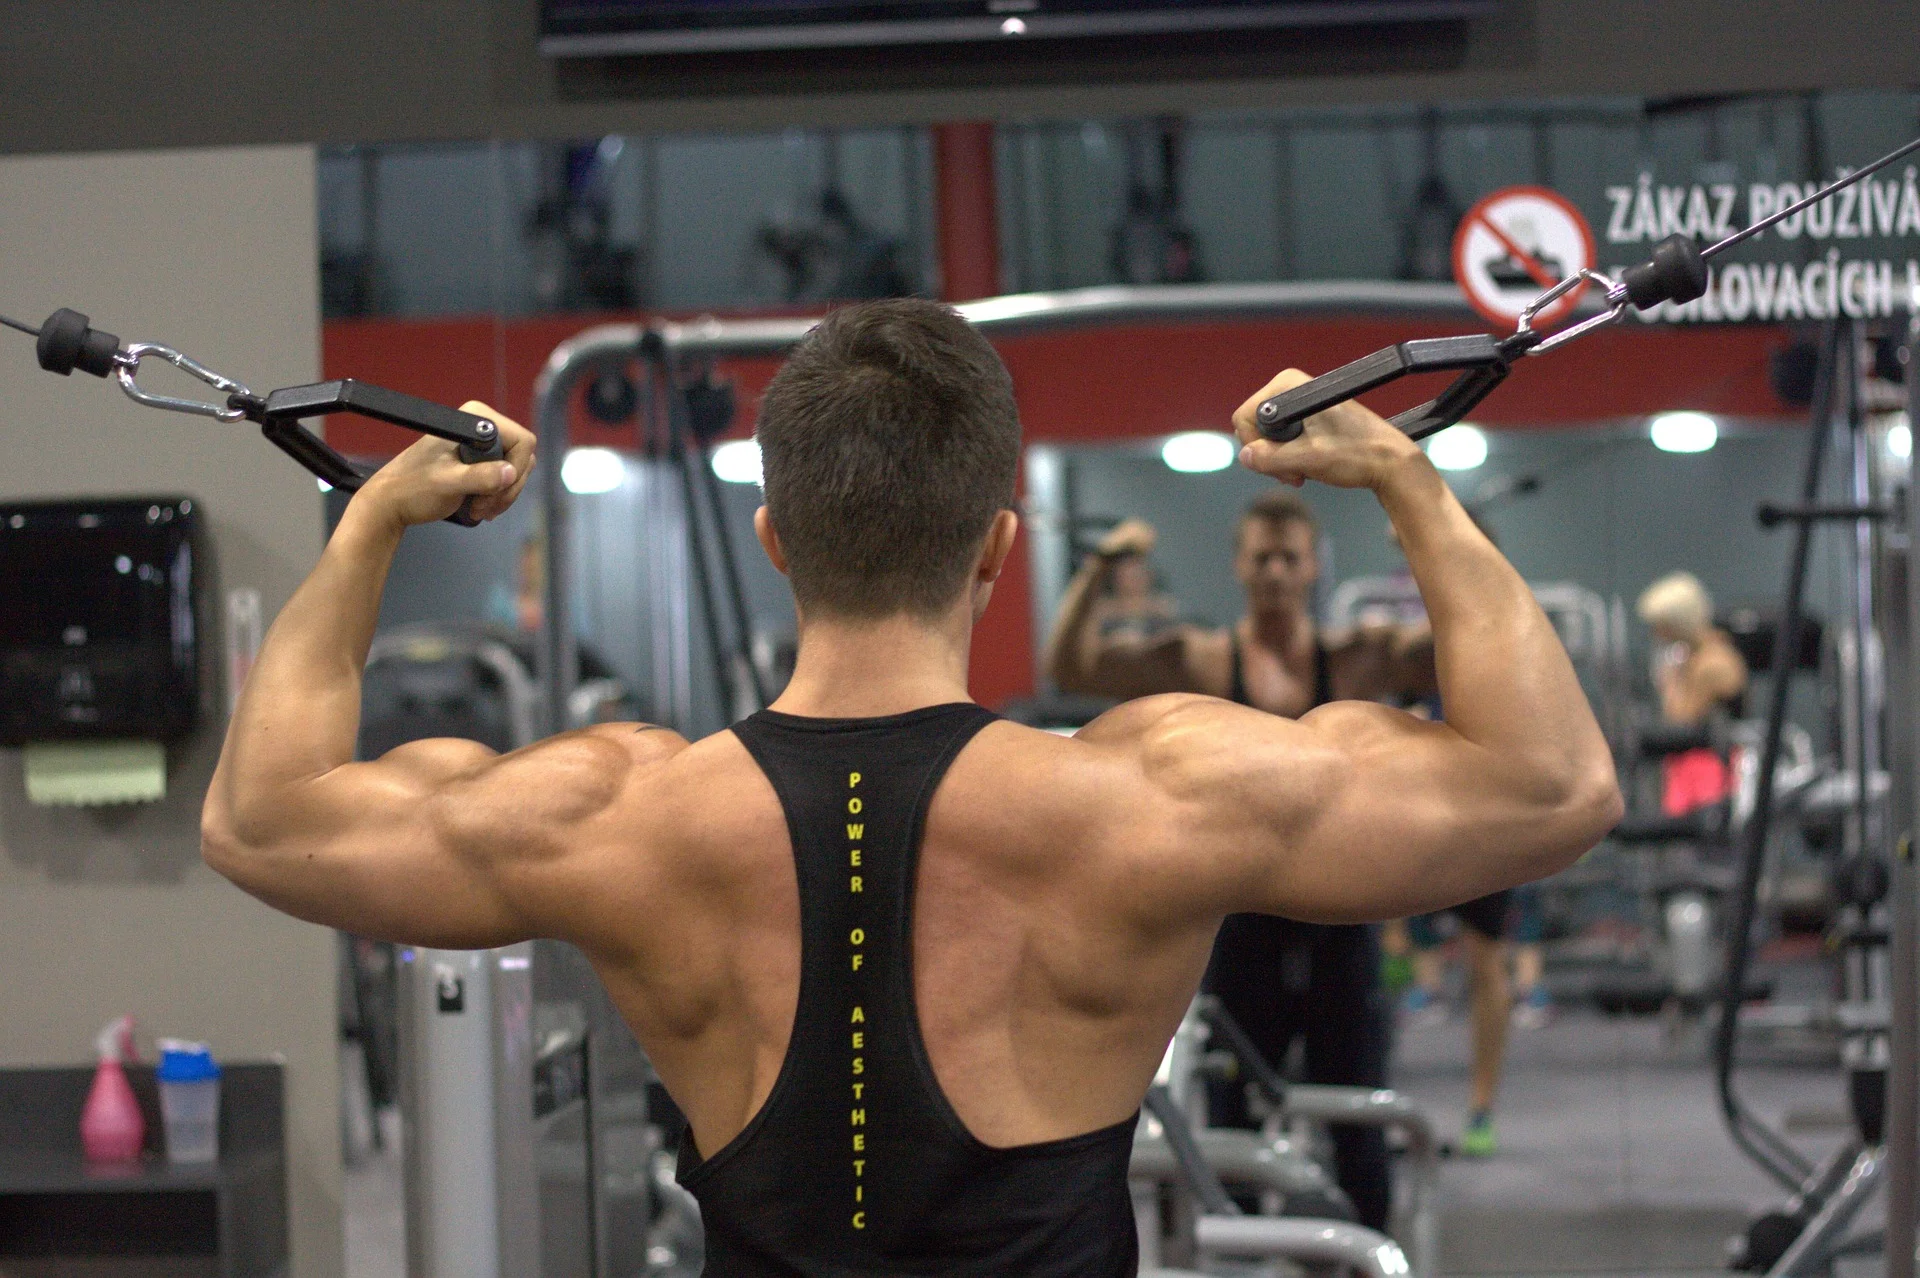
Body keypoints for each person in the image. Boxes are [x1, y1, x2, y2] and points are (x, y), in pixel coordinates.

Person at [202, 299, 1620, 1276]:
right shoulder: (1159, 790)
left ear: (774, 539)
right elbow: (1551, 785)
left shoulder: (619, 810)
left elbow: (262, 820)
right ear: (998, 548)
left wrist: (373, 516)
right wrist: (1407, 483)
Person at [1043, 492, 1435, 1227]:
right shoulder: (1201, 658)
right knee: (1231, 1121)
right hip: (1239, 924)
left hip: (1341, 920)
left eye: (1290, 557)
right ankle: (1241, 1256)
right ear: (1240, 567)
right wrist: (1099, 567)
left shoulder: (1356, 658)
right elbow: (1071, 665)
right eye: (1263, 558)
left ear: (1313, 566)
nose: (1276, 572)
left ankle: (1367, 1256)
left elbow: (1463, 650)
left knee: (1356, 1122)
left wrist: (1429, 533)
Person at [1636, 571, 1749, 815]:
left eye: (1660, 627)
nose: (1657, 635)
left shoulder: (1711, 663)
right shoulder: (1696, 656)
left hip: (1709, 773)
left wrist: (1669, 681)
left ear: (1677, 624)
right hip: (1696, 766)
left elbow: (1680, 721)